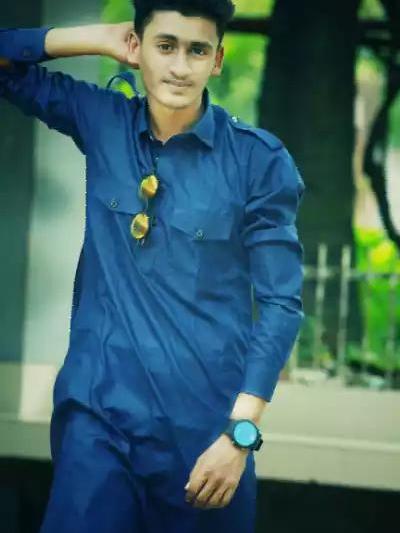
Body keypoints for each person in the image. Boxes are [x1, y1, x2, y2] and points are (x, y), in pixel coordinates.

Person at [0, 1, 305, 531]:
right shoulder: (102, 119)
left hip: (204, 434)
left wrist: (240, 436)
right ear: (137, 48)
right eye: (165, 46)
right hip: (98, 422)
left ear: (217, 60)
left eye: (197, 50)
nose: (180, 66)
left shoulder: (258, 161)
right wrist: (96, 38)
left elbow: (282, 305)